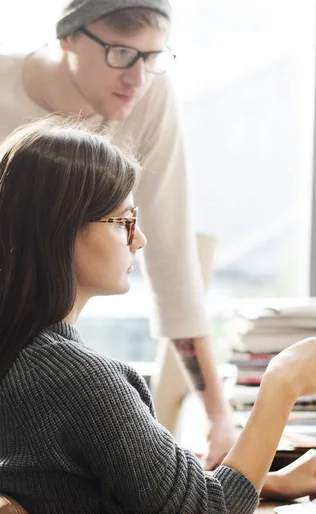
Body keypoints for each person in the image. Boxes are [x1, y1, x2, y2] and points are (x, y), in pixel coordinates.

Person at [0, 118, 316, 513]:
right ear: (61, 230)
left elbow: (97, 488)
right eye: (124, 222)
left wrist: (265, 483)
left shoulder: (23, 357)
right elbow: (208, 510)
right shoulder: (78, 380)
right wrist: (281, 387)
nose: (140, 240)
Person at [0, 0, 236, 468]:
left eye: (153, 57)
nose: (138, 78)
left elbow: (170, 257)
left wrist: (218, 419)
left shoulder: (150, 94)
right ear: (67, 37)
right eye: (121, 53)